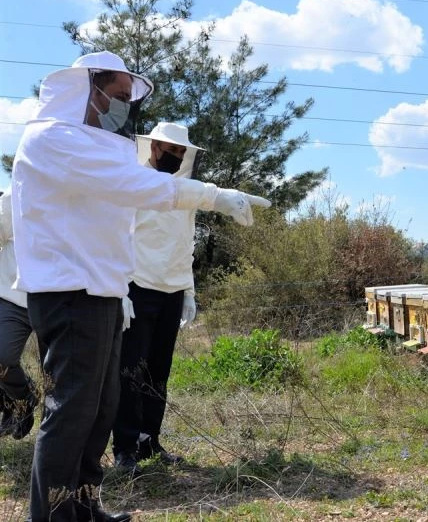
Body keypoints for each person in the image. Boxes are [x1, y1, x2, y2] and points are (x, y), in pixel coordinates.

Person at [11, 51, 271, 522]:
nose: (121, 108)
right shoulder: (54, 139)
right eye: (116, 96)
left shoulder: (86, 144)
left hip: (100, 293)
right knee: (71, 416)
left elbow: (111, 226)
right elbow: (138, 187)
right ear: (86, 88)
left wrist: (120, 291)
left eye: (126, 101)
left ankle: (85, 511)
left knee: (98, 414)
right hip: (70, 295)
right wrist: (212, 196)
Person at [111, 122, 205, 475]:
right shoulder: (134, 185)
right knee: (130, 371)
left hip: (172, 291)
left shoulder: (185, 193)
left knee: (158, 372)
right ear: (152, 148)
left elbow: (186, 245)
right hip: (138, 287)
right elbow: (118, 237)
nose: (175, 155)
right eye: (170, 149)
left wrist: (189, 290)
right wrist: (120, 290)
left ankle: (150, 441)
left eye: (181, 151)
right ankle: (124, 449)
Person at [0, 187, 38, 441]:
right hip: (13, 294)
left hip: (60, 296)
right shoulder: (15, 193)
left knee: (60, 377)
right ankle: (22, 398)